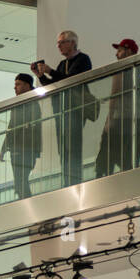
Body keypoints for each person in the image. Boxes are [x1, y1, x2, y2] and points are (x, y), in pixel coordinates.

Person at [31, 30, 93, 185]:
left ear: (72, 43)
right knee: (63, 151)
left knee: (73, 149)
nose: (58, 46)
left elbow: (71, 82)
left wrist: (50, 71)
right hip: (62, 112)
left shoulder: (83, 59)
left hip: (75, 111)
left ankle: (74, 183)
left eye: (61, 42)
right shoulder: (62, 64)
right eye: (58, 43)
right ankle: (67, 183)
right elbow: (54, 88)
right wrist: (41, 76)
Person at [94, 39, 140, 176]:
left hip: (120, 121)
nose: (117, 54)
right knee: (129, 163)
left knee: (104, 162)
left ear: (129, 52)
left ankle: (106, 188)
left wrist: (108, 121)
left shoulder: (121, 69)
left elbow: (115, 95)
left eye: (120, 50)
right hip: (139, 122)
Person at [0, 73, 43, 200]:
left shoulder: (33, 102)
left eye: (18, 84)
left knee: (21, 179)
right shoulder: (17, 104)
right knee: (19, 180)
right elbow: (11, 127)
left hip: (27, 148)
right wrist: (4, 149)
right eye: (15, 85)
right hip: (16, 148)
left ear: (27, 85)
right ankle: (24, 202)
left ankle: (26, 203)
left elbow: (34, 125)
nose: (15, 88)